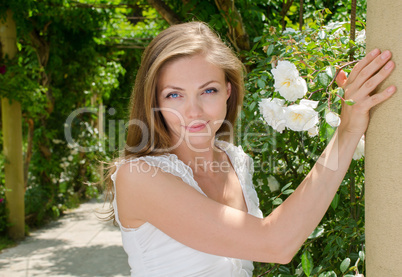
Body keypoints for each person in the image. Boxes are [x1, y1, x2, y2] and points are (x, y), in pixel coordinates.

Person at [105, 21, 396, 276]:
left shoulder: (236, 160)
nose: (193, 111)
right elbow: (275, 243)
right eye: (174, 95)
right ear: (154, 100)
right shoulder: (139, 176)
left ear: (228, 91)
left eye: (208, 90)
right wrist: (346, 132)